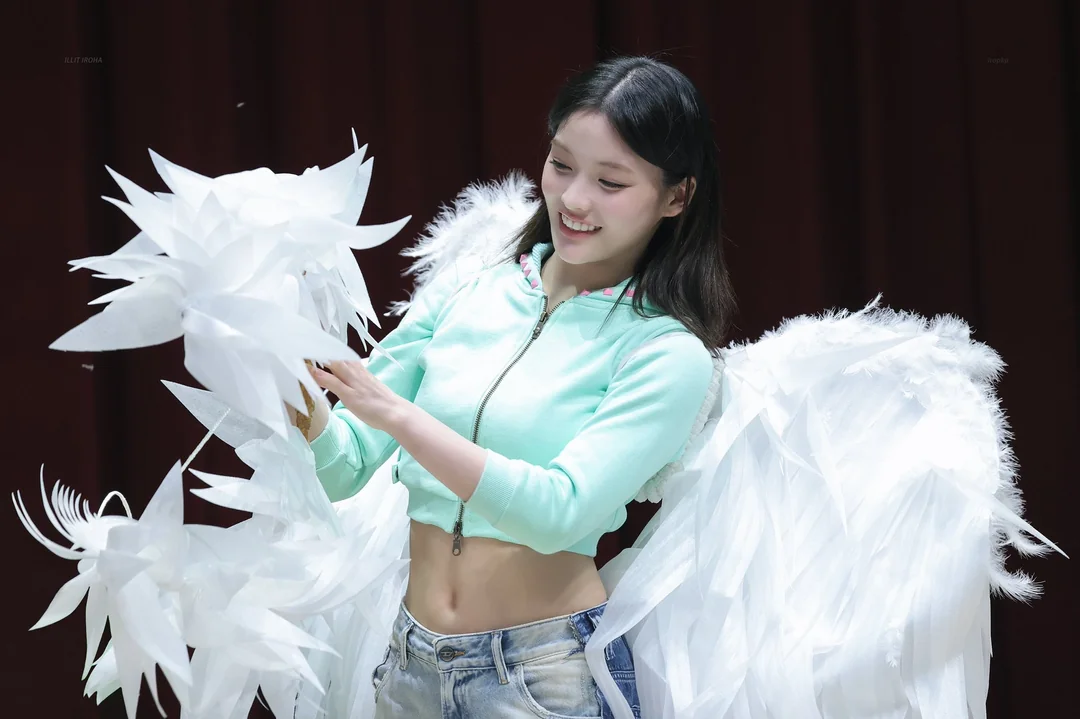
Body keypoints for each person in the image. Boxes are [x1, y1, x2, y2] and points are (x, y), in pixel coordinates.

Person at [293, 55, 736, 718]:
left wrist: (399, 417)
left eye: (611, 181)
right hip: (410, 665)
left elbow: (559, 512)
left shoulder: (667, 355)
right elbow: (345, 468)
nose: (574, 199)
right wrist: (298, 403)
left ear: (677, 197)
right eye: (561, 164)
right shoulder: (468, 288)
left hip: (542, 678)